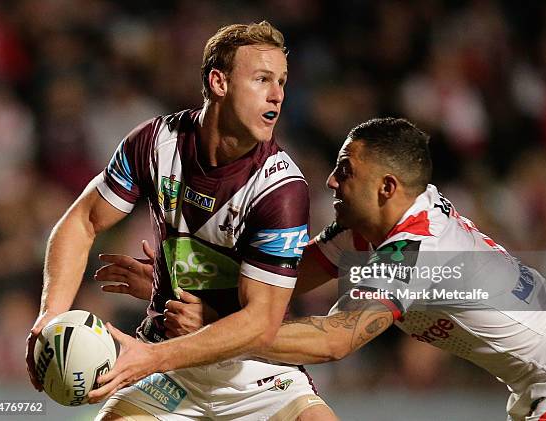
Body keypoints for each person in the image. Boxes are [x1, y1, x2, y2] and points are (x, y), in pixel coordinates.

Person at [103, 118, 546, 420]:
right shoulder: (368, 230)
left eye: (345, 169)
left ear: (386, 187)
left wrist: (213, 323)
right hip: (545, 382)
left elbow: (334, 340)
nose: (331, 180)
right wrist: (173, 284)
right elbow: (280, 282)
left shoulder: (415, 250)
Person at [26, 21, 337, 421]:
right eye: (262, 79)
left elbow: (260, 323)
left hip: (255, 374)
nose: (277, 94)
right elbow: (81, 221)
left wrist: (152, 357)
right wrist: (50, 316)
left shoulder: (281, 188)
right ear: (219, 82)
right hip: (170, 375)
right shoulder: (156, 143)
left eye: (281, 82)